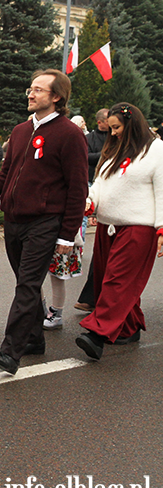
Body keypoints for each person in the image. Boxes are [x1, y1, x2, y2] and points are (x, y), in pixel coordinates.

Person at [0, 69, 88, 375]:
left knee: (28, 284)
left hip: (45, 222)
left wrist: (67, 236)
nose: (30, 94)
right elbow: (6, 176)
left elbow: (77, 188)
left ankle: (11, 352)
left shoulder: (70, 134)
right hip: (14, 220)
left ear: (57, 97)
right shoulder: (20, 131)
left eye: (38, 90)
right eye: (30, 90)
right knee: (25, 283)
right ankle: (33, 339)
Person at [75, 103, 163, 360]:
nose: (112, 133)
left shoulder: (156, 150)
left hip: (140, 228)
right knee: (108, 280)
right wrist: (90, 201)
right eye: (111, 128)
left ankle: (97, 334)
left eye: (116, 127)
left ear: (132, 125)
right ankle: (129, 327)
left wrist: (161, 230)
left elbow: (162, 192)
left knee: (118, 281)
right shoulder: (113, 149)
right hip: (107, 226)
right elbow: (101, 182)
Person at [74, 108, 112, 313]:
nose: (113, 129)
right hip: (93, 184)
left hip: (116, 200)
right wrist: (105, 155)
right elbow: (85, 157)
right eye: (110, 123)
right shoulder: (89, 138)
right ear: (100, 122)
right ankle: (91, 298)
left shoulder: (120, 139)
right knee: (101, 254)